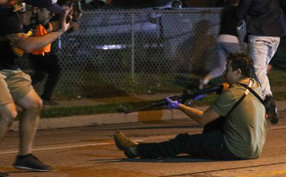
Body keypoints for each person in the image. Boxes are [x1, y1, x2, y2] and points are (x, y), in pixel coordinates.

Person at [0, 0, 72, 177]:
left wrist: (64, 22)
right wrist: (61, 31)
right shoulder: (9, 18)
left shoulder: (29, 16)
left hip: (5, 64)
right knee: (7, 114)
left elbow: (40, 34)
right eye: (49, 11)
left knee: (34, 104)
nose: (51, 16)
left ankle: (24, 157)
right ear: (36, 9)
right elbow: (27, 46)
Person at [114, 52, 266, 160]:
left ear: (238, 72)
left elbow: (204, 119)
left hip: (235, 150)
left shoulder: (233, 93)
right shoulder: (255, 85)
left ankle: (137, 149)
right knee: (216, 124)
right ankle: (205, 145)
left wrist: (180, 106)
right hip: (254, 149)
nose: (224, 72)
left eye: (228, 69)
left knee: (183, 141)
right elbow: (231, 91)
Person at [26, 0, 78, 105]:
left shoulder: (55, 14)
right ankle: (44, 96)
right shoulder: (51, 14)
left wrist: (73, 20)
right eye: (67, 4)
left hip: (45, 47)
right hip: (41, 48)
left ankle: (20, 90)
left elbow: (67, 28)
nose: (68, 7)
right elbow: (55, 27)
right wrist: (68, 19)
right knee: (54, 71)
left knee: (41, 73)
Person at [199, 0, 243, 89]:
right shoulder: (237, 9)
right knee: (241, 63)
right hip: (231, 39)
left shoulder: (225, 10)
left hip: (220, 39)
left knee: (222, 67)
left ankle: (204, 80)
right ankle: (239, 85)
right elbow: (240, 19)